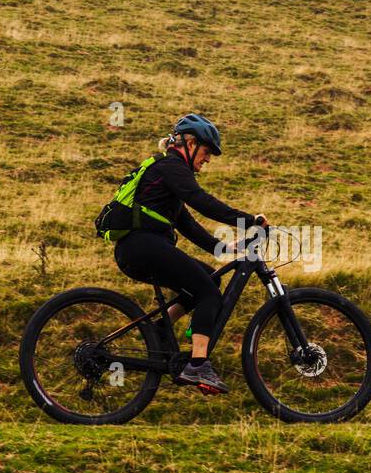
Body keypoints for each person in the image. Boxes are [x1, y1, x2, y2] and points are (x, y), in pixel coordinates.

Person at [111, 114, 269, 394]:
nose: (207, 159)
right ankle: (198, 364)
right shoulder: (171, 166)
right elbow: (201, 201)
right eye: (207, 152)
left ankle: (160, 328)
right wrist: (249, 220)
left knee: (208, 278)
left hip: (139, 248)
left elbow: (186, 223)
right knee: (208, 291)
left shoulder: (166, 174)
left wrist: (222, 249)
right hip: (143, 246)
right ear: (191, 143)